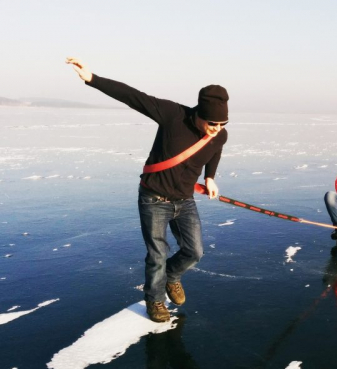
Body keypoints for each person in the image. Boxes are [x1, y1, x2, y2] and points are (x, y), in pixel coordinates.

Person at [66, 57, 229, 322]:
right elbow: (133, 96)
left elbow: (215, 150)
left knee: (194, 251)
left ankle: (172, 277)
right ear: (199, 114)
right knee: (157, 255)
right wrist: (92, 79)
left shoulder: (219, 135)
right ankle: (154, 301)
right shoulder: (172, 115)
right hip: (154, 199)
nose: (217, 130)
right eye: (213, 123)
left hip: (185, 200)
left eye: (222, 125)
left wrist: (210, 176)